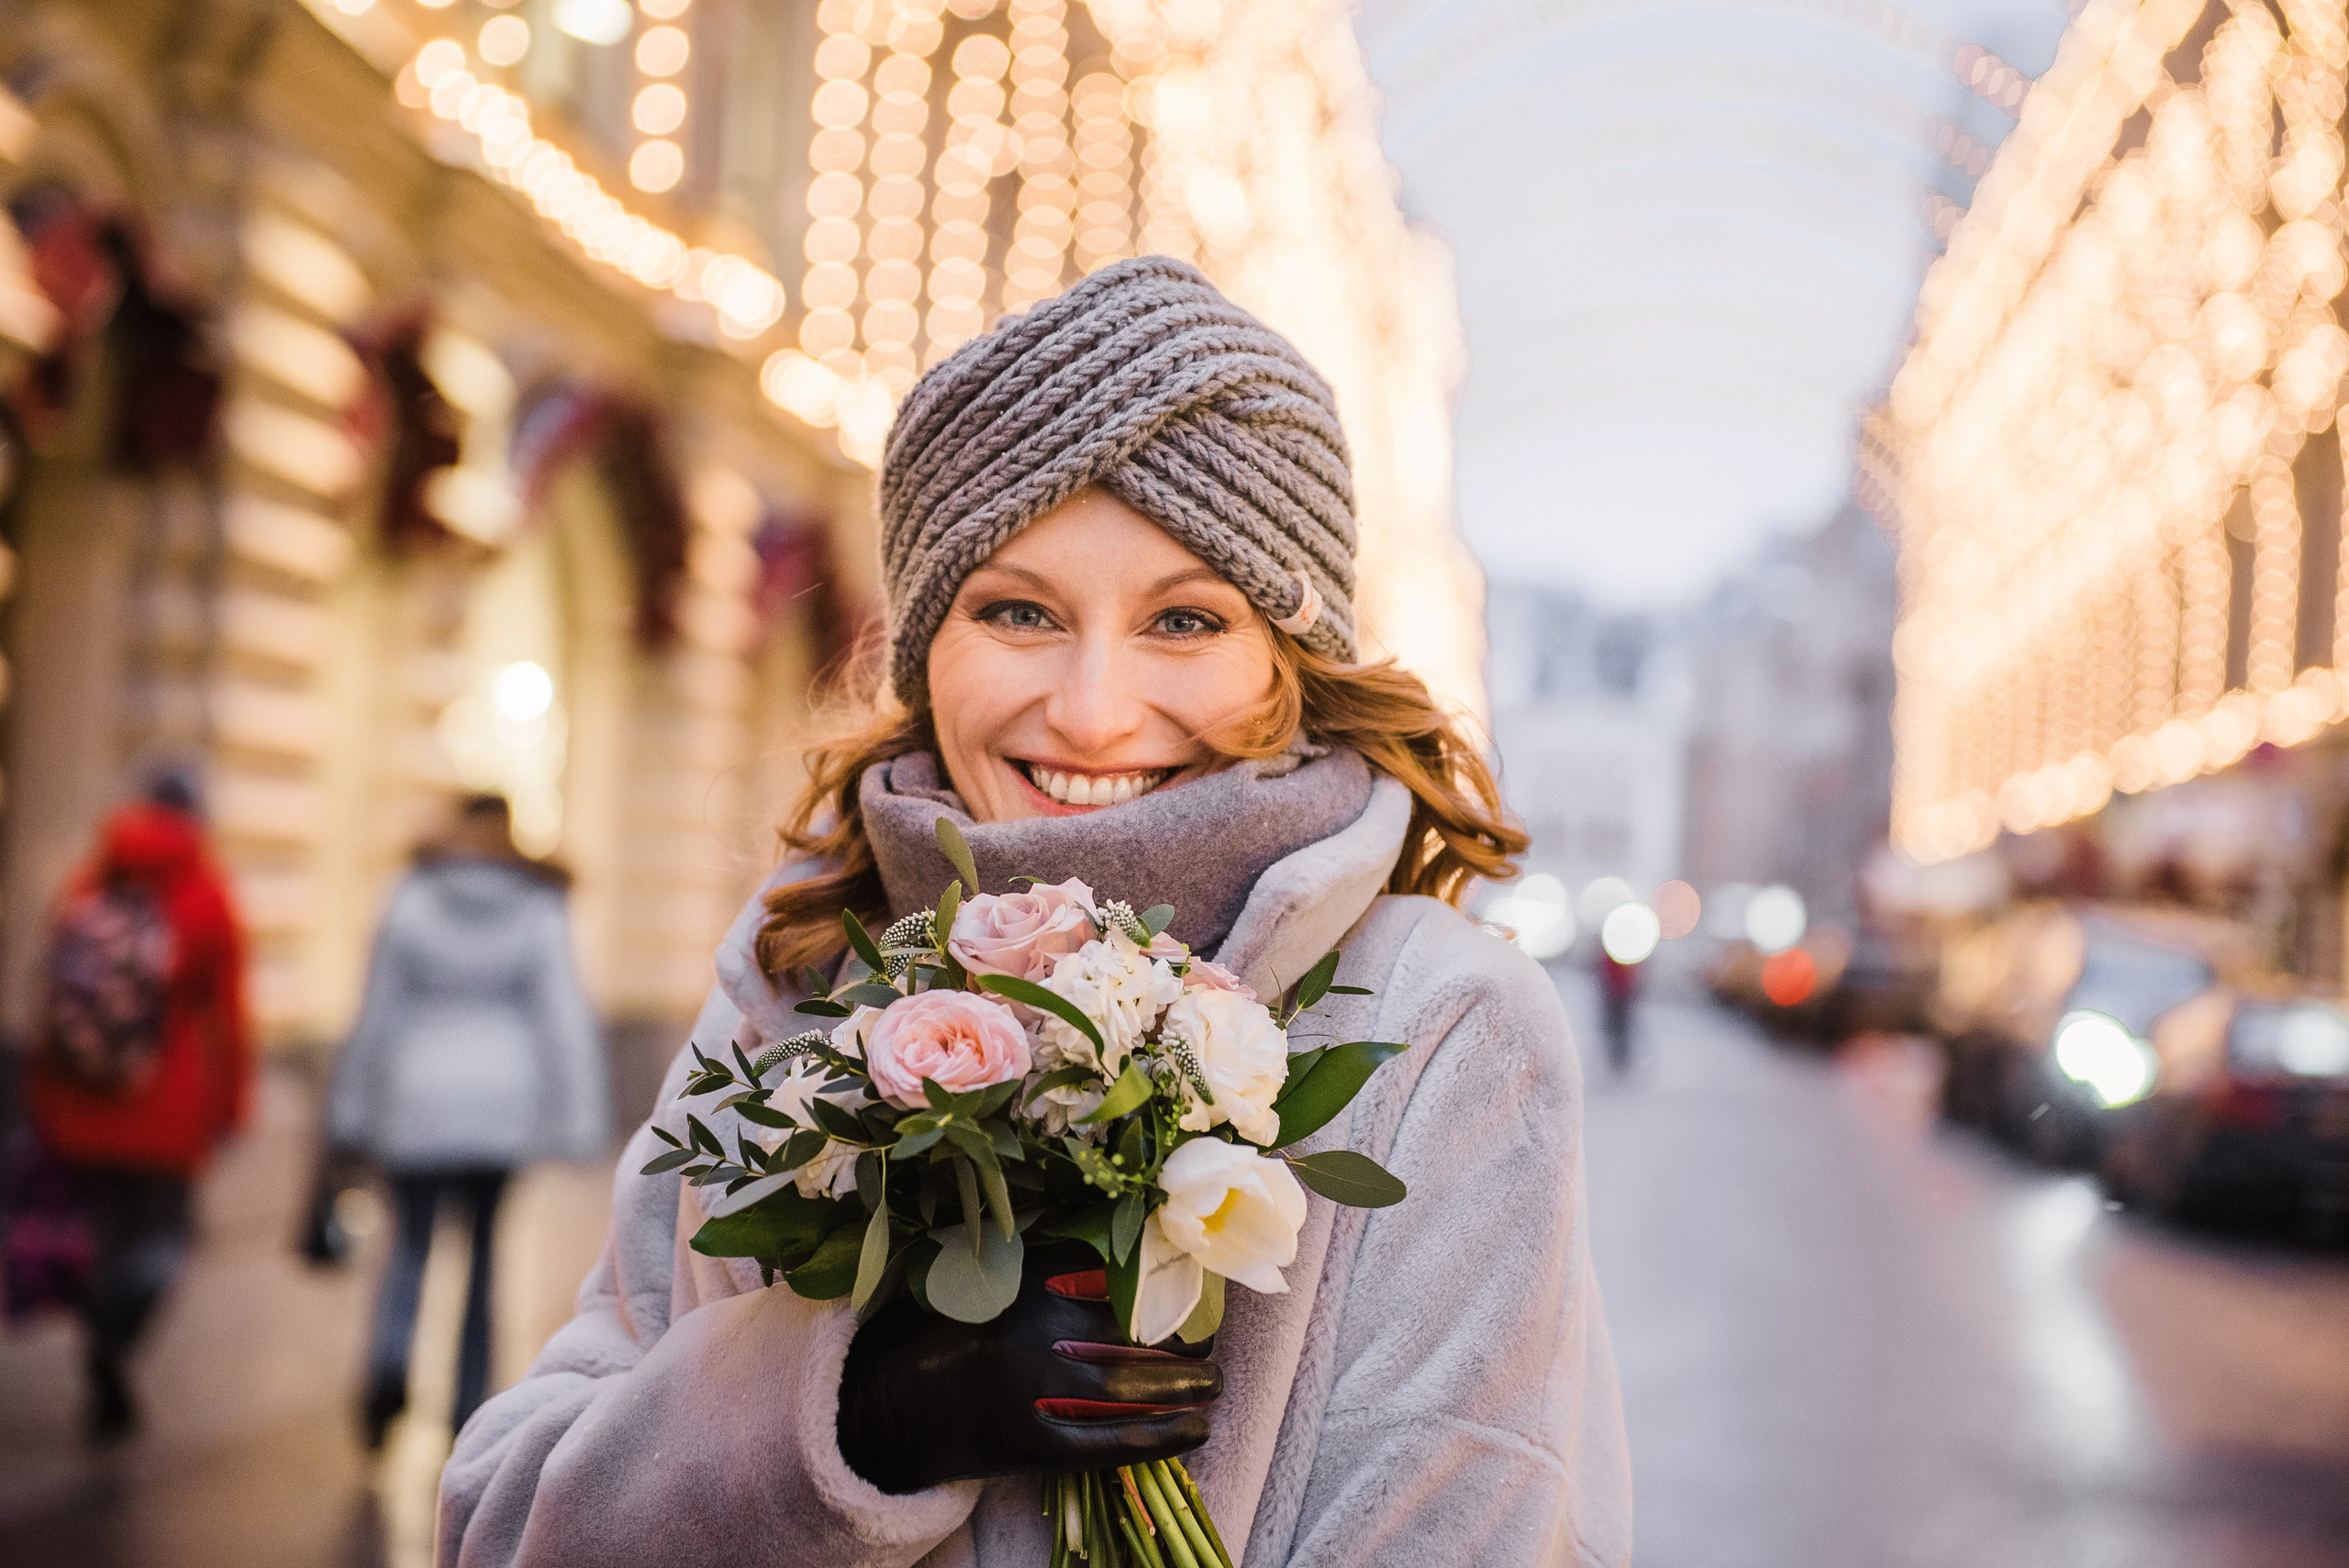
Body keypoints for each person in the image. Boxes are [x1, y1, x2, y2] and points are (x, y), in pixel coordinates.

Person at [440, 259, 1631, 1566]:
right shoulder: (796, 979)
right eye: (1017, 611)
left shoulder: (1439, 1027)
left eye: (1185, 618)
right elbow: (500, 1525)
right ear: (923, 646)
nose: (1092, 710)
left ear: (1288, 667)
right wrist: (839, 1414)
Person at [327, 793, 609, 1450]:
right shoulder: (537, 901)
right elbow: (562, 1017)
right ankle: (467, 1400)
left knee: (409, 1244)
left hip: (416, 1099)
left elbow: (377, 1010)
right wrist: (578, 1121)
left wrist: (351, 1108)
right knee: (483, 1255)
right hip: (499, 1107)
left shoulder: (411, 894)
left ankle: (389, 1366)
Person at [26, 766, 250, 1441]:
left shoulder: (88, 878)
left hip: (83, 1101)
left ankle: (100, 1320)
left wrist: (44, 1095)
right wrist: (230, 1106)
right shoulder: (205, 891)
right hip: (165, 1103)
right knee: (165, 1243)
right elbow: (226, 1015)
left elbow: (55, 993)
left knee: (104, 1230)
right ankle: (113, 1330)